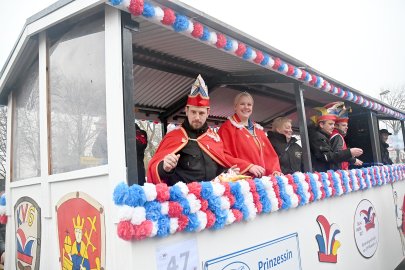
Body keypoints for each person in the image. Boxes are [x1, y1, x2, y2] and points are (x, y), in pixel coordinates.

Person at [147, 75, 233, 185]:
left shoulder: (214, 138)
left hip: (212, 197)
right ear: (186, 111)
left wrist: (228, 172)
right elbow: (153, 168)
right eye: (193, 112)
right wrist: (164, 167)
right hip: (185, 198)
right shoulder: (174, 136)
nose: (197, 117)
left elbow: (221, 167)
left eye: (201, 113)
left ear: (208, 113)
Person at [218, 92, 281, 178]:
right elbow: (222, 155)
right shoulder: (227, 128)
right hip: (242, 181)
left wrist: (275, 171)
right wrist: (248, 166)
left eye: (249, 104)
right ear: (235, 107)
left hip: (263, 181)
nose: (246, 107)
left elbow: (270, 155)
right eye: (242, 104)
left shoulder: (258, 129)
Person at [308, 103, 363, 172]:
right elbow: (329, 157)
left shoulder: (321, 136)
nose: (333, 127)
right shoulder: (318, 137)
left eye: (333, 124)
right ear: (321, 124)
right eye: (330, 124)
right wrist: (349, 152)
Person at [329, 102, 363, 170]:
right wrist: (353, 158)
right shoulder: (337, 136)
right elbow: (338, 155)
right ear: (336, 126)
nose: (347, 127)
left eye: (347, 125)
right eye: (343, 125)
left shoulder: (334, 135)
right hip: (339, 171)